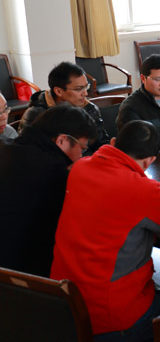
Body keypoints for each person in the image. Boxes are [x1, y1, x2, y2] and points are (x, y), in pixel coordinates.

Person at [51, 120, 160, 341]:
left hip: (64, 301)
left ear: (114, 142)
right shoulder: (143, 189)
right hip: (112, 316)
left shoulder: (80, 167)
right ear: (150, 161)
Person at [0, 105, 97, 277]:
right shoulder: (56, 174)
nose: (81, 156)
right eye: (82, 148)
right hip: (25, 275)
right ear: (62, 141)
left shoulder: (5, 148)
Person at [20, 61, 109, 152]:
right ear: (58, 91)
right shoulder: (36, 115)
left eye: (86, 87)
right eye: (79, 89)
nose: (85, 93)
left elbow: (101, 144)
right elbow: (28, 153)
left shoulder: (89, 108)